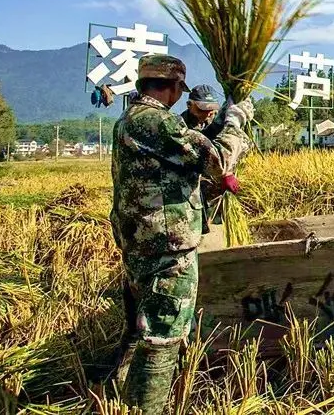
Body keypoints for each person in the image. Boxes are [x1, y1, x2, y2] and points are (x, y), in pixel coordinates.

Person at [109, 54, 253, 414]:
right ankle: (146, 407)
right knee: (164, 333)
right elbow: (217, 158)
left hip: (140, 239)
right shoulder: (156, 123)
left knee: (143, 324)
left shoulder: (130, 119)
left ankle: (121, 391)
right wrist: (237, 121)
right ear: (174, 89)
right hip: (165, 246)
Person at [180, 84, 224, 228]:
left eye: (211, 110)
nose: (208, 114)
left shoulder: (216, 120)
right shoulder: (179, 126)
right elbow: (199, 142)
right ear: (189, 105)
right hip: (190, 192)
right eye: (202, 109)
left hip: (217, 189)